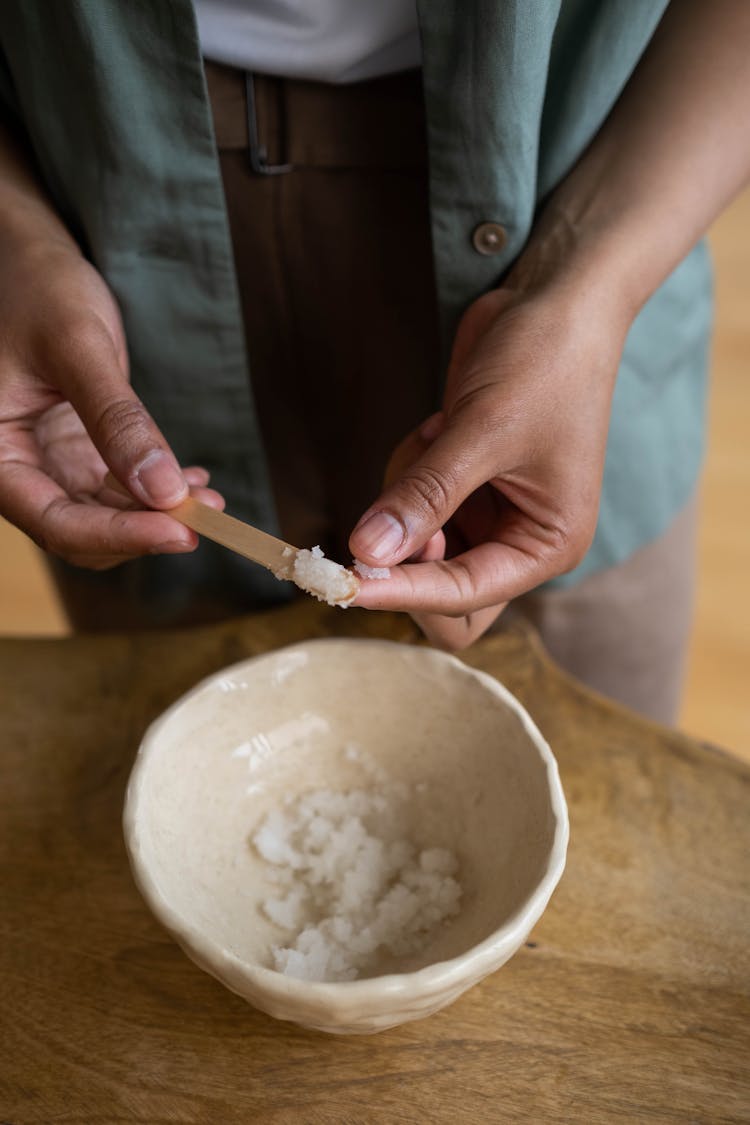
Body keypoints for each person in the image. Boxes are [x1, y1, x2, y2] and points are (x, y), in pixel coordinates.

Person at [0, 1, 748, 723]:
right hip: (98, 214)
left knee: (593, 746)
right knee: (173, 723)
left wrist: (588, 294)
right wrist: (13, 239)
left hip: (602, 168)